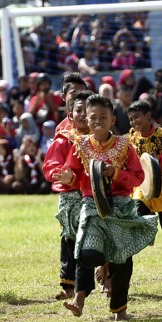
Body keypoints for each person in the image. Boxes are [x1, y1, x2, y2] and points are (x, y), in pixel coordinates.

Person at [58, 94, 158, 320]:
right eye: (93, 117)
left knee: (122, 260)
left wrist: (116, 173)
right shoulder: (80, 145)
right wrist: (68, 177)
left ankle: (119, 310)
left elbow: (138, 176)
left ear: (113, 119)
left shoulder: (125, 145)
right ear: (87, 119)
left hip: (120, 207)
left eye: (104, 116)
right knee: (87, 253)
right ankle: (79, 300)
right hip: (91, 207)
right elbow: (72, 174)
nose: (98, 121)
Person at [123, 100, 162, 273]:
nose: (134, 122)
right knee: (138, 211)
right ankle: (149, 232)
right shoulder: (132, 136)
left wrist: (157, 159)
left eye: (137, 117)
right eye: (131, 119)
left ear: (148, 116)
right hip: (142, 184)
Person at [43, 91, 92, 299]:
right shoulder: (64, 140)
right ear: (70, 115)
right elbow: (50, 166)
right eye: (78, 111)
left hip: (94, 196)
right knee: (70, 239)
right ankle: (69, 286)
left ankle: (104, 278)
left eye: (86, 111)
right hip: (71, 197)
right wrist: (61, 174)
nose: (82, 115)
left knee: (94, 239)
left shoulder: (102, 139)